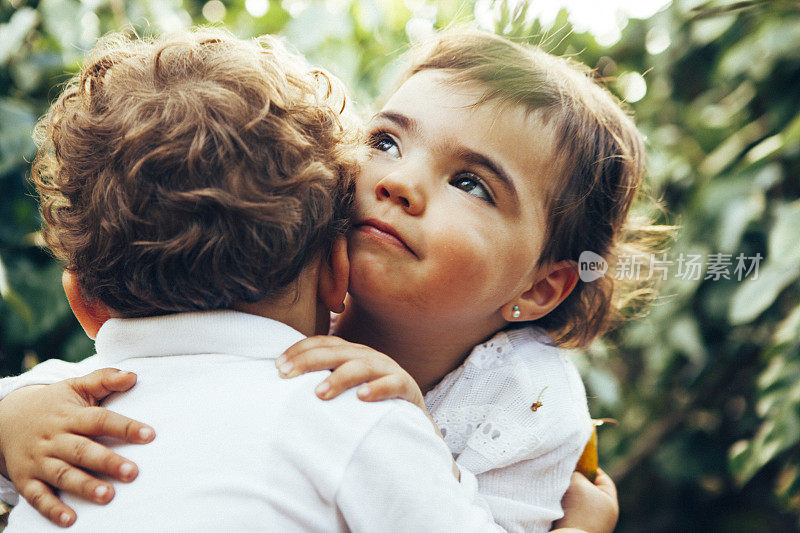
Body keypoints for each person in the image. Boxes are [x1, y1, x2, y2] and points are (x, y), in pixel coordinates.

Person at [0, 29, 658, 532]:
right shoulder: (262, 292)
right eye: (386, 142)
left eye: (471, 183)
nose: (397, 181)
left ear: (541, 287)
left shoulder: (526, 404)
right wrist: (11, 421)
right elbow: (141, 378)